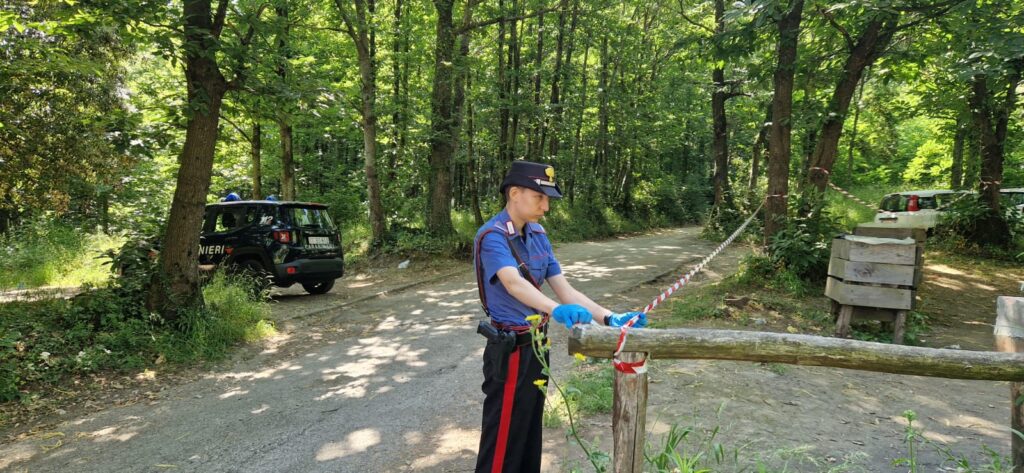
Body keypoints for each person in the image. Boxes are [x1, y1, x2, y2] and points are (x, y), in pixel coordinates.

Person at [473, 160, 648, 473]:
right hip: (510, 350)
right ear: (514, 193)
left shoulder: (538, 235)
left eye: (547, 200)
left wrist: (610, 318)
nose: (546, 207)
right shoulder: (493, 236)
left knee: (528, 432)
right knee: (503, 440)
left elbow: (566, 291)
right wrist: (554, 310)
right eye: (540, 198)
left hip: (538, 346)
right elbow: (513, 283)